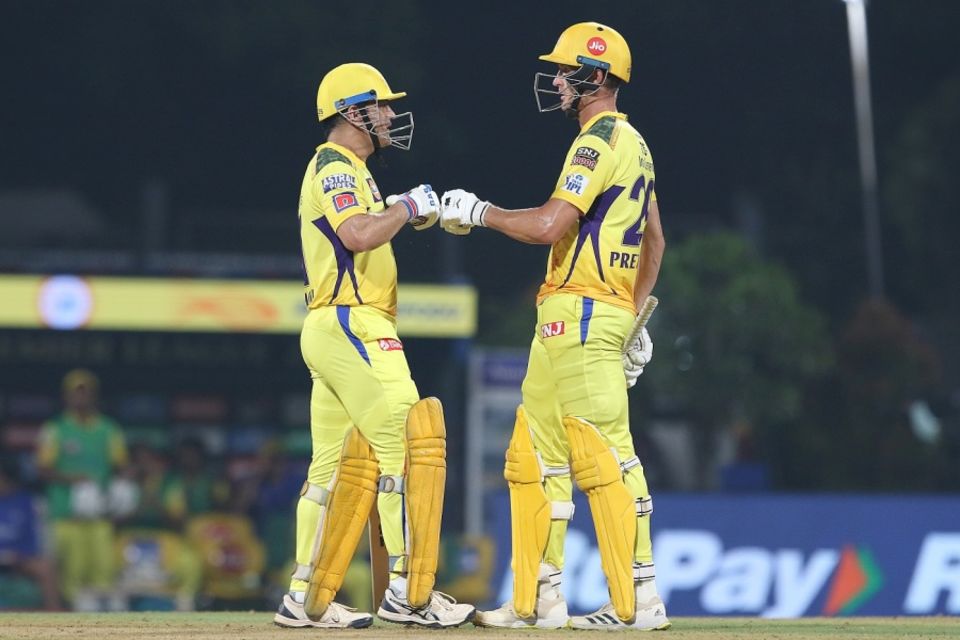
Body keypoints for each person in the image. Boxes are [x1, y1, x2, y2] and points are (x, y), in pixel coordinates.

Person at [440, 22, 669, 630]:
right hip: (578, 315)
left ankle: (638, 602)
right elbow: (656, 240)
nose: (558, 82)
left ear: (595, 77)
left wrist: (478, 211)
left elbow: (547, 226)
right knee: (535, 457)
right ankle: (539, 600)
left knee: (608, 456)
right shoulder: (638, 144)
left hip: (583, 310)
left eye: (568, 71)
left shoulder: (595, 141)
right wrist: (634, 313)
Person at [272, 62, 475, 629]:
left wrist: (403, 210)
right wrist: (408, 207)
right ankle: (410, 591)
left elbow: (368, 227)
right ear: (353, 110)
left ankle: (304, 596)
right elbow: (356, 234)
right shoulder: (335, 165)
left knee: (328, 472)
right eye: (381, 106)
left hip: (333, 326)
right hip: (354, 325)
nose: (390, 115)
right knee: (407, 447)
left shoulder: (350, 170)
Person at [35, 369, 129, 611]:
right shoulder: (55, 429)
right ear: (66, 396)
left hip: (99, 514)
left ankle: (104, 629)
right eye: (76, 393)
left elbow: (122, 467)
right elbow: (42, 470)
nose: (81, 398)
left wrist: (122, 493)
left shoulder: (108, 429)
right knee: (70, 575)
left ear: (94, 396)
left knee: (104, 570)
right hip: (65, 514)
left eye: (86, 392)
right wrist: (74, 478)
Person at [0, 457, 62, 610]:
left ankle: (54, 615)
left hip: (18, 558)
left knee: (46, 567)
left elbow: (34, 536)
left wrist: (18, 556)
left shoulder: (27, 501)